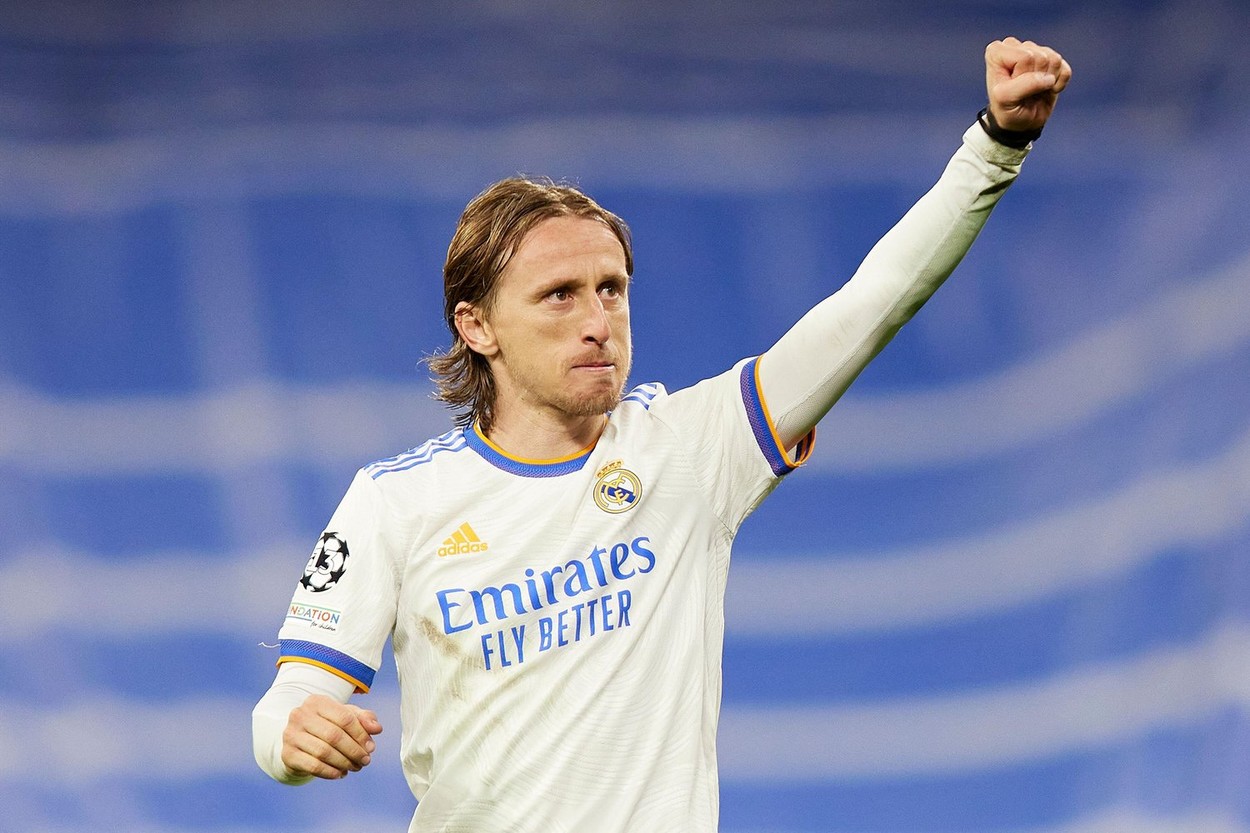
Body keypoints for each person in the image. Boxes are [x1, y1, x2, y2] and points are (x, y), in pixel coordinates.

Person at [253, 37, 1072, 832]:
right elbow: (291, 696)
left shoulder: (690, 448)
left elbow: (873, 304)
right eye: (560, 295)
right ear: (477, 326)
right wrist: (292, 735)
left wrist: (995, 149)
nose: (598, 321)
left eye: (612, 289)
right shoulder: (396, 501)